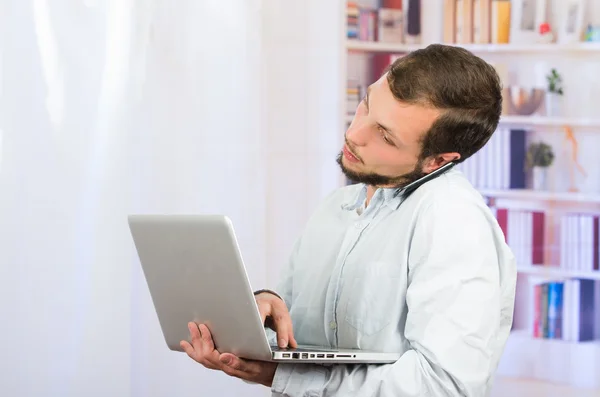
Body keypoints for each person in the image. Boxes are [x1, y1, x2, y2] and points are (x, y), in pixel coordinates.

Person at [180, 44, 517, 396]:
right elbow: (296, 334)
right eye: (366, 105)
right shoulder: (338, 205)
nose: (354, 133)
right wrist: (260, 316)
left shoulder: (454, 222)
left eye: (385, 135)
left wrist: (281, 376)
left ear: (436, 160)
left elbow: (443, 387)